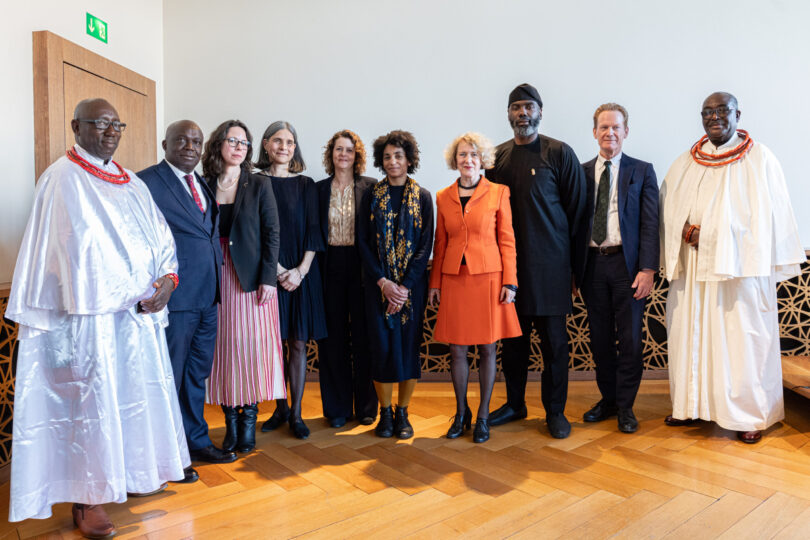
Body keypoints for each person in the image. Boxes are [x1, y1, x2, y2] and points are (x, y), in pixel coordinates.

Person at [6, 98, 189, 537]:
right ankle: (87, 500)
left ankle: (129, 475)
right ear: (76, 126)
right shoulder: (61, 179)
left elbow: (161, 238)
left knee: (132, 399)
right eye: (101, 123)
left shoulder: (132, 181)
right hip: (89, 323)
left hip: (137, 319)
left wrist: (167, 279)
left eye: (116, 124)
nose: (111, 131)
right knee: (92, 407)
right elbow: (54, 257)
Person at [660, 92, 805, 443]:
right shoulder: (685, 162)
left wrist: (709, 234)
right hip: (694, 271)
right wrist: (685, 229)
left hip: (739, 273)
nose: (715, 117)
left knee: (741, 339)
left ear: (737, 113)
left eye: (722, 110)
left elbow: (767, 222)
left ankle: (749, 415)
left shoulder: (759, 160)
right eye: (707, 112)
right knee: (690, 334)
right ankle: (691, 406)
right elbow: (665, 208)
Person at [487, 83, 588, 439]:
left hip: (553, 273)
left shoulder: (560, 153)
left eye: (529, 107)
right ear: (509, 114)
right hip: (511, 275)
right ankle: (515, 404)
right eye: (516, 107)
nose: (523, 113)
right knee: (513, 346)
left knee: (555, 348)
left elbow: (578, 215)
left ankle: (555, 412)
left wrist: (576, 271)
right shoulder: (495, 159)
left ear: (540, 112)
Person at [140, 120, 237, 467]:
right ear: (165, 143)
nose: (190, 147)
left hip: (209, 298)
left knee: (196, 375)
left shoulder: (200, 182)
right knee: (171, 377)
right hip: (175, 300)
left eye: (196, 141)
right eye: (181, 140)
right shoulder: (146, 182)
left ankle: (195, 441)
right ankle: (169, 454)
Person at [428, 132, 521, 443]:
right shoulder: (442, 196)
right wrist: (435, 282)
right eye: (462, 155)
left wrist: (511, 281)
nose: (468, 160)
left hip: (489, 280)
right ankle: (461, 412)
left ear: (483, 160)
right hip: (455, 278)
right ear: (454, 161)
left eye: (473, 155)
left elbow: (507, 240)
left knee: (487, 348)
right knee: (456, 348)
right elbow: (439, 244)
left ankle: (482, 416)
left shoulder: (498, 192)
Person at [201, 120, 285, 453]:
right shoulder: (204, 183)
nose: (239, 146)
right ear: (218, 144)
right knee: (222, 349)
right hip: (214, 276)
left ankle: (248, 419)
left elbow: (272, 234)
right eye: (233, 140)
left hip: (249, 279)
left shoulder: (258, 184)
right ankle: (230, 422)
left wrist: (268, 278)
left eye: (244, 142)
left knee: (250, 350)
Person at [578, 104, 659, 434]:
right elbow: (572, 225)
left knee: (629, 341)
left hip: (628, 267)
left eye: (616, 127)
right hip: (592, 266)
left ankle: (626, 406)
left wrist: (649, 268)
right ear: (594, 132)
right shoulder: (581, 173)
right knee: (599, 340)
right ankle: (608, 400)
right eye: (603, 127)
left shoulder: (642, 171)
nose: (609, 132)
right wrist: (572, 270)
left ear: (626, 131)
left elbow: (650, 223)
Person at [357, 130, 434, 439]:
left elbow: (424, 246)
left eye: (398, 156)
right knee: (382, 349)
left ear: (409, 160)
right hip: (377, 288)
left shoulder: (423, 197)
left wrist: (403, 287)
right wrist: (384, 282)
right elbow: (362, 243)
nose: (392, 161)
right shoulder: (371, 196)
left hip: (412, 291)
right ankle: (384, 413)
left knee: (408, 351)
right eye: (387, 156)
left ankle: (403, 413)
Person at [257, 121, 327, 440]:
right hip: (270, 274)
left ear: (294, 148)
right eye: (278, 141)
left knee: (297, 343)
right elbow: (253, 231)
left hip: (302, 275)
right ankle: (280, 408)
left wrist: (299, 270)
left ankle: (297, 413)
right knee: (274, 344)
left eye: (290, 142)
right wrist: (277, 269)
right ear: (266, 145)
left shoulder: (306, 184)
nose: (284, 147)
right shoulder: (254, 182)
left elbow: (315, 231)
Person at [316, 130, 378, 428]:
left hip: (362, 268)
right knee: (333, 340)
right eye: (339, 149)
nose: (343, 154)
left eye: (349, 150)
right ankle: (337, 408)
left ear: (357, 156)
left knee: (364, 338)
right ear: (331, 154)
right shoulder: (318, 190)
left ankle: (366, 406)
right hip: (329, 268)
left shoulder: (370, 188)